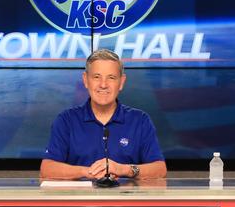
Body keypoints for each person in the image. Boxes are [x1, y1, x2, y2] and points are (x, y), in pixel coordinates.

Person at [40, 48, 168, 181]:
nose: (103, 85)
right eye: (96, 77)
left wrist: (124, 169)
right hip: (79, 200)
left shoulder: (140, 120)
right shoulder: (66, 120)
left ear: (121, 82)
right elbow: (47, 169)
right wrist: (89, 171)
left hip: (126, 200)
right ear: (85, 80)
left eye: (111, 78)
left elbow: (159, 169)